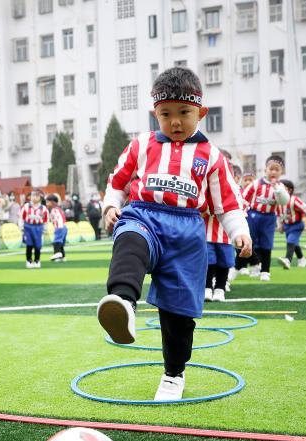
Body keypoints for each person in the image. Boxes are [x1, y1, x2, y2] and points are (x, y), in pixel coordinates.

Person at [97, 67, 251, 401]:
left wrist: (239, 231)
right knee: (129, 241)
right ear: (155, 114)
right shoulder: (141, 145)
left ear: (201, 112)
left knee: (178, 311)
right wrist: (111, 206)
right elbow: (118, 182)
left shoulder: (211, 156)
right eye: (166, 115)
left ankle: (173, 375)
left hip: (186, 231)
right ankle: (123, 303)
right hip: (145, 215)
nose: (176, 122)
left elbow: (227, 202)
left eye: (184, 113)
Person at [242, 156, 290, 282]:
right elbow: (244, 197)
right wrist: (242, 211)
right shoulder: (256, 183)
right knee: (250, 241)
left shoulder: (280, 187)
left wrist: (277, 189)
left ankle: (265, 270)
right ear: (265, 170)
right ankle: (255, 264)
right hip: (253, 215)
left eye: (277, 170)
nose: (273, 172)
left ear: (281, 172)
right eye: (271, 169)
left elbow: (284, 201)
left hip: (269, 217)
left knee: (266, 244)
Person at [276, 180, 306, 269]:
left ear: (289, 190)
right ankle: (302, 259)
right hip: (287, 226)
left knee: (290, 241)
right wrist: (280, 226)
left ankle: (287, 260)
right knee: (294, 243)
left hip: (296, 225)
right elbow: (278, 215)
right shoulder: (278, 202)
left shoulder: (294, 200)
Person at [21, 189, 49, 268]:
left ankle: (37, 260)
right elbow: (22, 217)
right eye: (33, 195)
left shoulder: (43, 208)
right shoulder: (26, 206)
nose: (34, 197)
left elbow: (46, 220)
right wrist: (21, 227)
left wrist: (45, 229)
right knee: (29, 244)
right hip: (28, 226)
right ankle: (29, 260)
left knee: (38, 245)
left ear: (40, 197)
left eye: (37, 196)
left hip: (38, 227)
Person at [46, 194, 68, 262]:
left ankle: (57, 254)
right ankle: (62, 256)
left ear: (52, 202)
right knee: (60, 243)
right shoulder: (59, 209)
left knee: (56, 241)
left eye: (48, 202)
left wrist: (58, 227)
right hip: (64, 227)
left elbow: (58, 219)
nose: (47, 204)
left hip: (59, 227)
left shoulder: (54, 210)